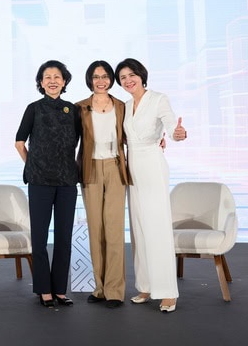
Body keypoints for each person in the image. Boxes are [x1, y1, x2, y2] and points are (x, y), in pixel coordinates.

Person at [115, 58, 187, 313]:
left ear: (141, 74)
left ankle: (167, 291)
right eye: (122, 77)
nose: (128, 80)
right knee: (139, 228)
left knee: (157, 227)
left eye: (131, 74)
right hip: (132, 168)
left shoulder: (158, 98)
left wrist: (177, 134)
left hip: (153, 166)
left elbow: (171, 126)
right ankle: (145, 285)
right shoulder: (123, 106)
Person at [15, 60, 81, 308]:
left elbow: (80, 144)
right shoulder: (33, 108)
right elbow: (20, 142)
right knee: (40, 238)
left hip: (66, 182)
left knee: (64, 238)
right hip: (40, 181)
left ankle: (60, 290)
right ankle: (44, 290)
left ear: (64, 81)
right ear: (41, 83)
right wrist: (32, 165)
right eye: (47, 77)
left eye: (57, 76)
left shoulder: (72, 110)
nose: (52, 80)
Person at [75, 61, 131, 309]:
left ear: (111, 80)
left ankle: (115, 291)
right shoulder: (79, 108)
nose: (101, 80)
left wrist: (161, 139)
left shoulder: (121, 106)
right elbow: (69, 141)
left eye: (105, 76)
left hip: (116, 168)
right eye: (96, 76)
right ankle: (99, 288)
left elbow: (134, 135)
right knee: (96, 229)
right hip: (90, 169)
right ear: (90, 79)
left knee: (115, 230)